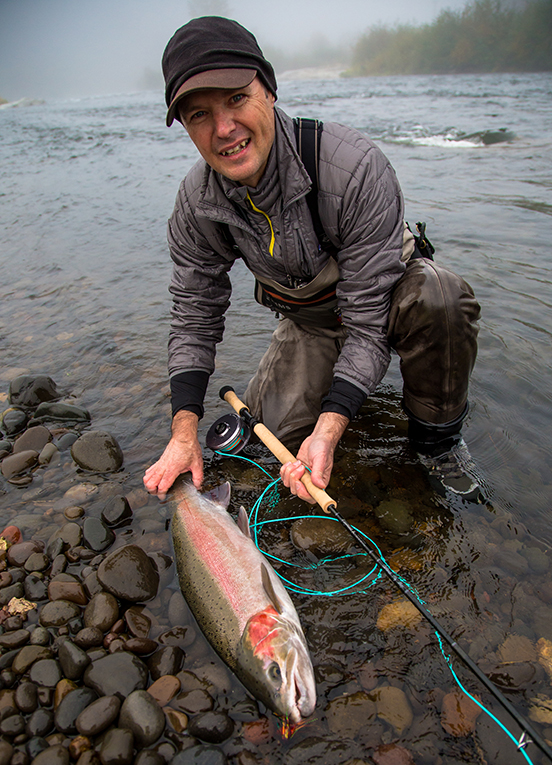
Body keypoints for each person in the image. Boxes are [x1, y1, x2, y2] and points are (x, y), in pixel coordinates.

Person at [143, 16, 481, 504]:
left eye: (237, 99)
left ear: (270, 90)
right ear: (187, 128)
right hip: (314, 321)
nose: (223, 129)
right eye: (199, 115)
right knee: (265, 449)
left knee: (440, 297)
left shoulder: (355, 168)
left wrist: (329, 428)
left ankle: (439, 443)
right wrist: (183, 431)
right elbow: (194, 317)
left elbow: (367, 324)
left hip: (385, 300)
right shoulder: (197, 205)